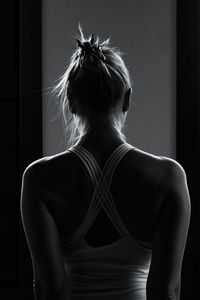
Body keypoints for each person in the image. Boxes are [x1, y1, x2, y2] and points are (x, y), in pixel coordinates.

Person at [20, 25, 191, 300]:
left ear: (71, 102)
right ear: (127, 98)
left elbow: (51, 290)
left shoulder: (39, 178)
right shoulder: (168, 177)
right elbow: (165, 291)